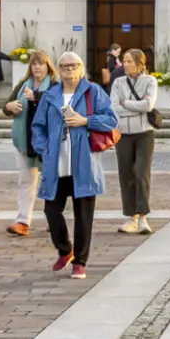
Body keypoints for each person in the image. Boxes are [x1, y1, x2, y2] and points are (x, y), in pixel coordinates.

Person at [30, 51, 118, 279]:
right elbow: (37, 126)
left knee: (83, 215)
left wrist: (86, 120)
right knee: (51, 209)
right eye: (64, 65)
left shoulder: (93, 91)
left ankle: (80, 261)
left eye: (73, 65)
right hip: (56, 163)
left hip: (84, 163)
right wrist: (44, 147)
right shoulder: (51, 95)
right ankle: (64, 249)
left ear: (81, 67)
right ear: (58, 69)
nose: (69, 69)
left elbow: (111, 119)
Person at [1, 50, 57, 236]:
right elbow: (6, 106)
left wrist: (37, 98)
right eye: (34, 64)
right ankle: (23, 221)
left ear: (47, 66)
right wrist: (10, 107)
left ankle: (55, 220)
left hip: (48, 142)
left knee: (51, 181)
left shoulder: (55, 85)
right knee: (26, 181)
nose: (37, 68)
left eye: (40, 64)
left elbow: (58, 106)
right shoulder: (22, 85)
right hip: (24, 140)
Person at [110, 46, 157, 234]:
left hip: (144, 133)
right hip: (122, 134)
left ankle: (143, 217)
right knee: (126, 174)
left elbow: (148, 105)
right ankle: (131, 216)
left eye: (129, 61)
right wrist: (134, 107)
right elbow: (113, 107)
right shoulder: (118, 82)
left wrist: (126, 103)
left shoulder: (150, 81)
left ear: (139, 63)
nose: (126, 64)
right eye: (125, 60)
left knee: (141, 173)